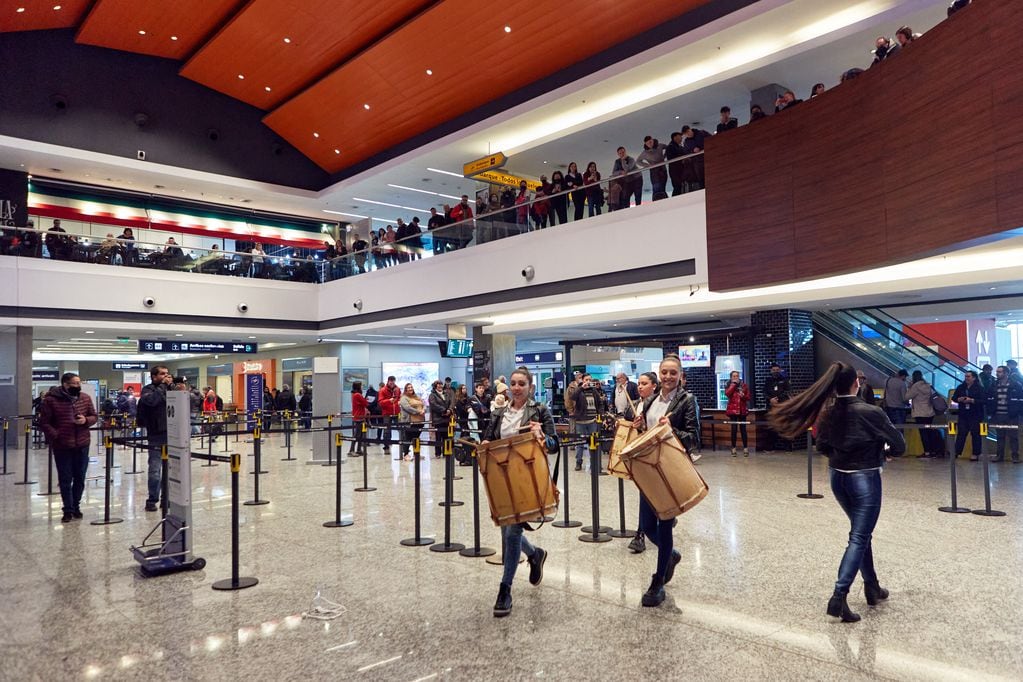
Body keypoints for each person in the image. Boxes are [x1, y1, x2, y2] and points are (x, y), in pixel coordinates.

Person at [770, 362, 905, 623]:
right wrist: (882, 453)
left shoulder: (828, 413)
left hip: (837, 479)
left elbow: (822, 446)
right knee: (859, 536)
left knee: (860, 532)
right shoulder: (872, 412)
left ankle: (872, 587)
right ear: (857, 383)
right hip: (865, 478)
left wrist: (842, 456)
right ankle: (838, 596)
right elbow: (899, 445)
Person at [480, 366, 557, 617]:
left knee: (512, 532)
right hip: (502, 480)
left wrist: (541, 434)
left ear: (530, 386)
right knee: (506, 529)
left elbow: (555, 445)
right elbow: (488, 439)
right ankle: (535, 554)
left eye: (522, 383)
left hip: (527, 479)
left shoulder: (540, 411)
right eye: (513, 383)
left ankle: (505, 589)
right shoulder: (499, 413)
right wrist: (484, 444)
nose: (516, 387)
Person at [629, 355, 698, 607]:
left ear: (680, 375)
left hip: (669, 470)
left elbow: (693, 438)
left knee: (665, 524)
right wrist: (638, 426)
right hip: (647, 471)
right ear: (659, 374)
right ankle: (671, 555)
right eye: (664, 372)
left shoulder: (687, 401)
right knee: (647, 528)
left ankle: (658, 581)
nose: (668, 377)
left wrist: (671, 429)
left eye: (673, 372)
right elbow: (645, 436)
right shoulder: (648, 402)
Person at [38, 372, 97, 523]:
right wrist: (56, 435)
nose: (78, 386)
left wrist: (85, 420)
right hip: (62, 445)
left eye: (79, 383)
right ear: (65, 384)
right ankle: (68, 509)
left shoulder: (85, 398)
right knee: (65, 478)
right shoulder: (51, 400)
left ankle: (76, 505)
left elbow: (94, 416)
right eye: (75, 383)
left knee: (80, 477)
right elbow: (44, 423)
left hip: (82, 443)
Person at [622, 371, 658, 554]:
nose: (640, 386)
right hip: (638, 454)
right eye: (639, 383)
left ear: (654, 386)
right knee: (646, 494)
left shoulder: (659, 405)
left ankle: (640, 534)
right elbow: (627, 425)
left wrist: (644, 426)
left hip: (654, 455)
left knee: (648, 494)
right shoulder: (634, 405)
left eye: (644, 383)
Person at [137, 365, 172, 512]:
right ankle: (152, 499)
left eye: (167, 374)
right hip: (156, 434)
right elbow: (152, 401)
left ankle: (166, 498)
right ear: (154, 376)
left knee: (169, 470)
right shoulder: (148, 389)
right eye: (162, 374)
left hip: (171, 433)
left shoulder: (170, 389)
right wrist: (163, 386)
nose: (166, 376)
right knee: (155, 469)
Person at [986, 366, 1022, 463]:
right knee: (1000, 436)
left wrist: (1016, 412)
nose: (997, 373)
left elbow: (1020, 400)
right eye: (997, 371)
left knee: (1013, 436)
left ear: (1006, 373)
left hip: (1011, 415)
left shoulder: (1015, 385)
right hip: (998, 414)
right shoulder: (994, 385)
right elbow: (989, 398)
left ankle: (1015, 456)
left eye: (999, 372)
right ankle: (999, 456)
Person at [573, 373, 607, 470]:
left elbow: (600, 403)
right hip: (580, 421)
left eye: (590, 380)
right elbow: (573, 397)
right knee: (580, 443)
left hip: (592, 420)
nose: (588, 382)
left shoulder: (594, 390)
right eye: (586, 379)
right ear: (582, 380)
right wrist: (581, 388)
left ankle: (594, 463)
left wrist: (600, 414)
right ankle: (578, 462)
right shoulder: (578, 390)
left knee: (593, 443)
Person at [906, 371, 942, 458]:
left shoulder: (915, 386)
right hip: (930, 412)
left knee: (923, 433)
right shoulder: (928, 385)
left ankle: (927, 452)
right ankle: (933, 451)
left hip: (919, 413)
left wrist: (910, 387)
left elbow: (906, 397)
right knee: (929, 432)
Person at [952, 371, 985, 461]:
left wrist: (972, 400)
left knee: (975, 434)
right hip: (963, 414)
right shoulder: (961, 387)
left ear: (974, 378)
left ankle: (975, 453)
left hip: (975, 414)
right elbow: (954, 397)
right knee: (961, 433)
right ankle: (956, 452)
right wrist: (959, 399)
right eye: (965, 376)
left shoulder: (979, 388)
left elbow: (983, 400)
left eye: (969, 376)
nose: (966, 378)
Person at [763, 363, 791, 450]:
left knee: (784, 425)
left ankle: (787, 446)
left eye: (777, 370)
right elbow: (764, 392)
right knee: (771, 426)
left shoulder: (784, 380)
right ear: (771, 371)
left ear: (780, 370)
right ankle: (770, 446)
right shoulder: (768, 381)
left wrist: (778, 398)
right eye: (774, 370)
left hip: (782, 406)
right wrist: (770, 399)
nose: (775, 372)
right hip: (771, 406)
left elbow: (788, 391)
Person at [725, 370, 751, 456]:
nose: (736, 378)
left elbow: (748, 397)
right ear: (731, 377)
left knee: (743, 429)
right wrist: (733, 385)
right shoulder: (729, 385)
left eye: (737, 376)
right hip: (733, 411)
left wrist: (743, 396)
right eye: (734, 376)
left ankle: (745, 448)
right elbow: (728, 394)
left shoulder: (744, 385)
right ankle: (733, 448)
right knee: (734, 429)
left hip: (742, 410)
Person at [399, 383, 426, 461]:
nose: (410, 389)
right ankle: (406, 454)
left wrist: (423, 409)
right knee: (408, 438)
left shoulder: (417, 397)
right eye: (408, 387)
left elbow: (423, 403)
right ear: (406, 389)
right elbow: (407, 408)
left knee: (416, 438)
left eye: (411, 387)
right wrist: (418, 412)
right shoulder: (404, 398)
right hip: (409, 421)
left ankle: (416, 454)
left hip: (419, 421)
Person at [636, 136, 667, 201]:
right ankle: (656, 202)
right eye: (647, 143)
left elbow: (668, 148)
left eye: (650, 142)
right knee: (656, 188)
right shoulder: (645, 152)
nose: (649, 144)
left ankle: (664, 200)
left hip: (662, 169)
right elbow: (638, 161)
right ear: (645, 144)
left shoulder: (660, 145)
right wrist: (647, 165)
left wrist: (664, 156)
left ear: (652, 140)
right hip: (654, 171)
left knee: (663, 186)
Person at [428, 380, 452, 457]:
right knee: (438, 437)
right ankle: (438, 453)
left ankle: (446, 453)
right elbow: (434, 405)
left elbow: (451, 403)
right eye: (438, 384)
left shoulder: (446, 394)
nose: (440, 386)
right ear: (435, 386)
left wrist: (449, 410)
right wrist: (444, 410)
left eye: (441, 384)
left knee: (446, 437)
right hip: (438, 419)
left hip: (447, 418)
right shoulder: (432, 395)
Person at [378, 376, 400, 452]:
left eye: (393, 382)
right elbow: (380, 403)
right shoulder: (382, 390)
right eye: (391, 382)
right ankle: (386, 447)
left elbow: (399, 398)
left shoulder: (397, 389)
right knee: (386, 431)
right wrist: (389, 401)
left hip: (397, 413)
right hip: (387, 413)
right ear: (388, 381)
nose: (392, 384)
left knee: (402, 429)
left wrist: (399, 402)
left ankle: (404, 448)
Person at [664, 131, 687, 197]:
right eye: (680, 137)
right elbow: (672, 159)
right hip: (676, 171)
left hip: (680, 170)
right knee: (677, 186)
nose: (681, 138)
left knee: (680, 186)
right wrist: (682, 160)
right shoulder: (671, 147)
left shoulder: (679, 147)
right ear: (675, 137)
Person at [350, 382, 369, 456]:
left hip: (359, 416)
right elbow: (365, 403)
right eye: (361, 385)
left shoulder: (355, 395)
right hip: (359, 416)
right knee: (357, 435)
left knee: (360, 435)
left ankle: (358, 449)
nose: (362, 386)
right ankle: (351, 450)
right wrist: (365, 400)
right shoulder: (357, 395)